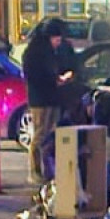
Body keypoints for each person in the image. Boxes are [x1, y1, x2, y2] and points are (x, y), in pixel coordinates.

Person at [22, 18, 67, 184]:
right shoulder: (34, 53)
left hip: (51, 97)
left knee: (50, 135)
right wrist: (54, 80)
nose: (58, 43)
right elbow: (33, 76)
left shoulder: (48, 52)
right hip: (40, 99)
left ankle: (48, 169)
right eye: (57, 40)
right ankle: (35, 171)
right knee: (40, 135)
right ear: (49, 37)